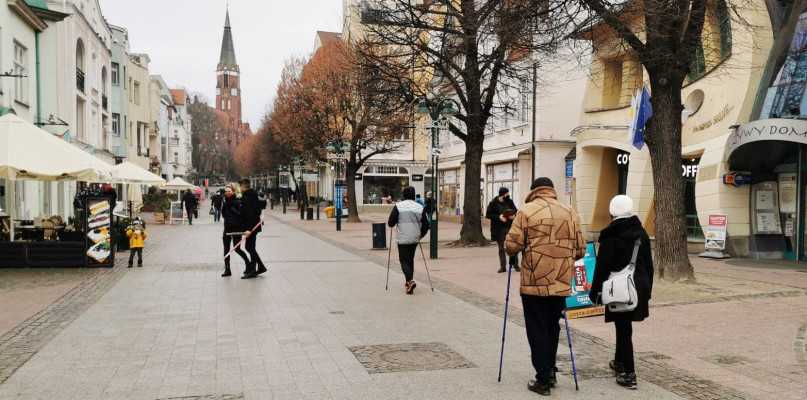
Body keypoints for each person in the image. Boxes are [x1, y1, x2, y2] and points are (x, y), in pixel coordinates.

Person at [505, 177, 586, 396]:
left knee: (537, 328)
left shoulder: (526, 211)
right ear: (551, 190)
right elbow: (581, 250)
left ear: (534, 191)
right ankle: (550, 370)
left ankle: (543, 379)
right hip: (560, 283)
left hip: (534, 283)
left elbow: (511, 246)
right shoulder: (569, 211)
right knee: (552, 327)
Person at [588, 195, 653, 390]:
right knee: (624, 327)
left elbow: (602, 267)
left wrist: (595, 292)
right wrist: (648, 290)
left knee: (623, 329)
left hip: (619, 288)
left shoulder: (611, 236)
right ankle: (619, 362)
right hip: (638, 286)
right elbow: (649, 265)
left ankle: (629, 373)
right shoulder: (641, 233)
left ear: (612, 211)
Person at [387, 186, 430, 294]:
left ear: (404, 195)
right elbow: (426, 225)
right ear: (414, 195)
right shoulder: (420, 207)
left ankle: (410, 281)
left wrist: (396, 220)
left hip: (403, 238)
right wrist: (420, 235)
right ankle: (408, 283)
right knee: (410, 259)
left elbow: (390, 223)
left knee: (403, 260)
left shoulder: (398, 206)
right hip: (415, 238)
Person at [486, 187, 520, 273]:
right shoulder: (493, 203)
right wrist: (499, 217)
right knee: (501, 248)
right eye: (507, 194)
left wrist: (513, 216)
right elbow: (488, 214)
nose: (508, 195)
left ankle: (515, 265)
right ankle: (503, 267)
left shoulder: (509, 201)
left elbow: (515, 211)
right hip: (498, 229)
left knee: (512, 246)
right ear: (502, 194)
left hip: (509, 227)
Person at [220, 184, 251, 277]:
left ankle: (248, 264)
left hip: (236, 229)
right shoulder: (225, 203)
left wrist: (234, 210)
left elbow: (241, 216)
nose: (227, 193)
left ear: (233, 192)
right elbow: (223, 215)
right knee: (226, 250)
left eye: (229, 191)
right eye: (226, 191)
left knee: (237, 249)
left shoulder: (237, 202)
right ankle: (227, 269)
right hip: (227, 229)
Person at [239, 178, 267, 279]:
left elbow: (251, 214)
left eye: (240, 186)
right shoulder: (251, 195)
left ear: (244, 186)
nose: (240, 188)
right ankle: (259, 267)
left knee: (249, 247)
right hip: (252, 226)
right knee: (250, 247)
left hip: (251, 227)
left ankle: (254, 270)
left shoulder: (248, 196)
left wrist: (249, 229)